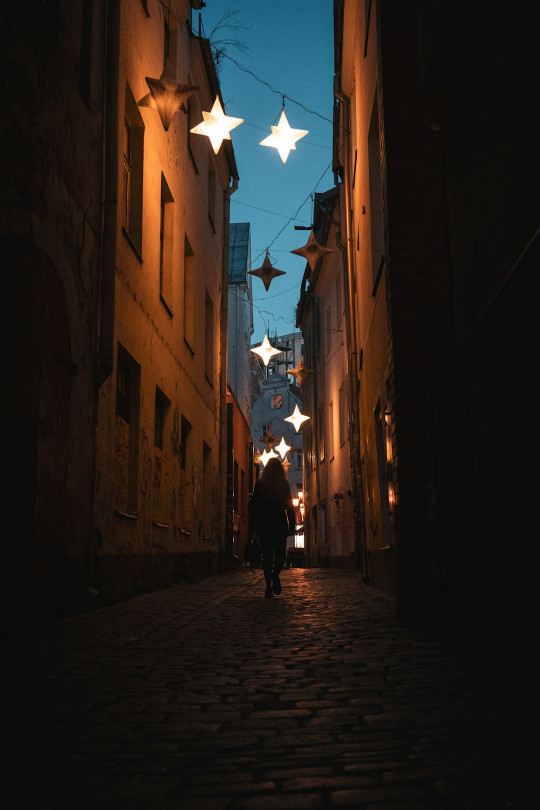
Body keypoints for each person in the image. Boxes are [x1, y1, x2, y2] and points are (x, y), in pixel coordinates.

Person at [248, 457, 296, 599]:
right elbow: (289, 507)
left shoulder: (260, 485)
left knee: (267, 555)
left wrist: (253, 525)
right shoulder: (284, 484)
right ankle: (275, 576)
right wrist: (291, 524)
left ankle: (269, 585)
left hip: (265, 525)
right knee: (280, 554)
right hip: (279, 524)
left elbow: (254, 507)